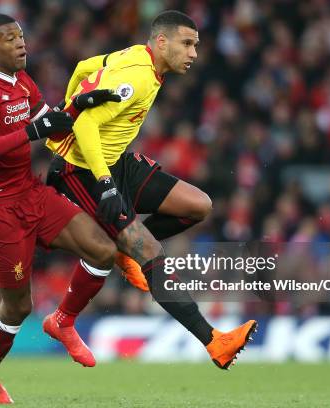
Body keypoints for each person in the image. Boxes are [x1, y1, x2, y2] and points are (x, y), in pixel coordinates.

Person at [45, 10, 257, 370]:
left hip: (118, 162)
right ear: (162, 42)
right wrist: (105, 182)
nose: (193, 53)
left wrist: (67, 106)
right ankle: (214, 342)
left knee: (198, 205)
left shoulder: (135, 56)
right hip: (80, 170)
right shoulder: (139, 79)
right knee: (151, 252)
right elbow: (85, 126)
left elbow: (83, 66)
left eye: (196, 45)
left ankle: (126, 253)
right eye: (187, 44)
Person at [0, 14, 123, 404]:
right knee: (18, 306)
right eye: (10, 38)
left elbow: (54, 123)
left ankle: (63, 320)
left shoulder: (23, 82)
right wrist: (31, 132)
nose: (21, 43)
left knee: (103, 250)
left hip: (31, 193)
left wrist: (81, 106)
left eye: (21, 36)